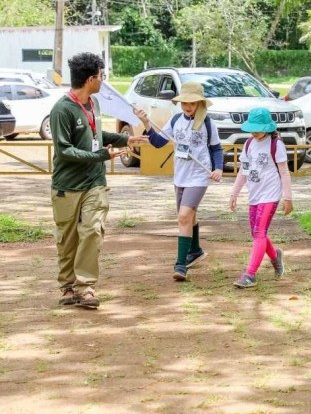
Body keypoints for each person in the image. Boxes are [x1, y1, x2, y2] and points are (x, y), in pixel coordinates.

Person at [50, 52, 148, 309]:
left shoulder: (94, 104)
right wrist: (101, 155)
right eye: (102, 76)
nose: (103, 81)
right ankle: (68, 286)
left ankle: (86, 287)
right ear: (91, 79)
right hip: (67, 186)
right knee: (68, 238)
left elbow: (96, 133)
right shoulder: (62, 109)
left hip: (95, 181)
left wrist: (125, 139)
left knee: (92, 231)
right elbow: (64, 151)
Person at [135, 81, 223, 282]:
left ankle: (181, 264)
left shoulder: (208, 124)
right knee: (189, 216)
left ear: (200, 103)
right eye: (184, 103)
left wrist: (218, 168)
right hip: (180, 176)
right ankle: (196, 250)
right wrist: (147, 123)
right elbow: (158, 143)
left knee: (183, 216)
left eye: (192, 103)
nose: (187, 107)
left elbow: (217, 149)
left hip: (199, 176)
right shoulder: (176, 121)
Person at [229, 107, 290, 287]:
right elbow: (243, 171)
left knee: (258, 233)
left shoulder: (276, 144)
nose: (254, 131)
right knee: (256, 232)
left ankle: (250, 275)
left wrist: (288, 198)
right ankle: (275, 257)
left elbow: (285, 172)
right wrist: (234, 193)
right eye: (252, 128)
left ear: (268, 127)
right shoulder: (249, 144)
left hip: (270, 194)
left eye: (257, 128)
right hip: (254, 194)